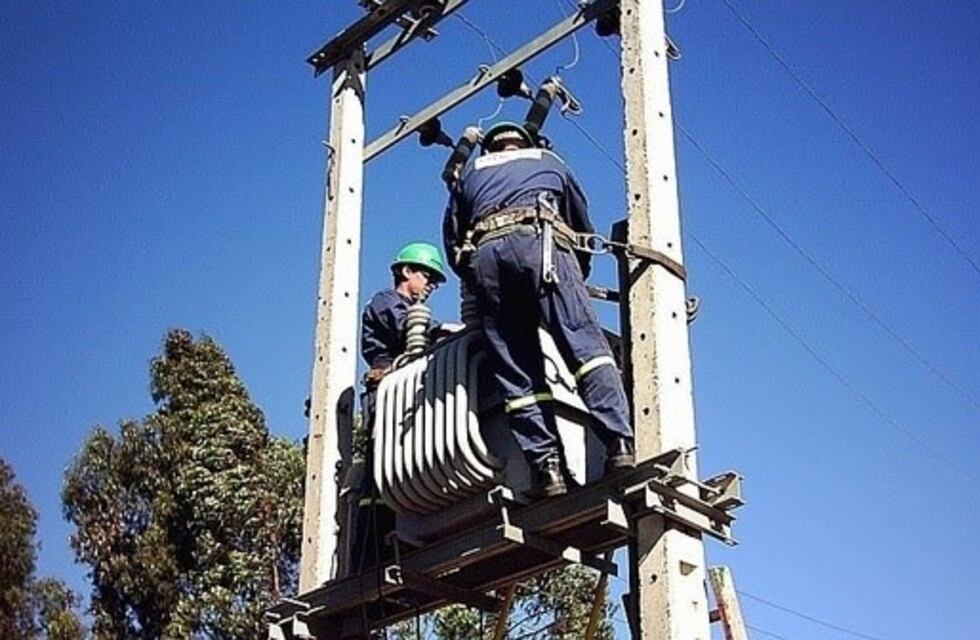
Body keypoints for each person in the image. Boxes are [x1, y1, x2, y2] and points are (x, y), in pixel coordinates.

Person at [442, 121, 634, 498]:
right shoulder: (550, 160)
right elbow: (579, 221)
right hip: (541, 244)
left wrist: (479, 277)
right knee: (586, 349)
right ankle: (619, 445)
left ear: (491, 149)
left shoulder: (469, 176)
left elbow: (453, 240)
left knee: (518, 373)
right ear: (523, 142)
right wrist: (576, 276)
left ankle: (548, 473)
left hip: (486, 262)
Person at [351, 242, 448, 573]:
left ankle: (402, 532)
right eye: (427, 275)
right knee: (379, 467)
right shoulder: (386, 302)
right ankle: (367, 552)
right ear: (406, 272)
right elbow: (407, 329)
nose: (431, 284)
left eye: (435, 279)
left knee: (407, 460)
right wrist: (440, 332)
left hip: (408, 389)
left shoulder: (410, 308)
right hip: (387, 389)